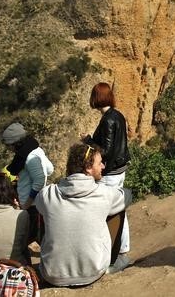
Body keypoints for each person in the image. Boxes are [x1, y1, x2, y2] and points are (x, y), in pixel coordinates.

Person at [35, 143, 132, 286]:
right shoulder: (104, 193)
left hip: (52, 274)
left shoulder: (47, 194)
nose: (103, 167)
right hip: (93, 271)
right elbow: (127, 196)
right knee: (118, 209)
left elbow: (38, 206)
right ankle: (113, 261)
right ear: (88, 167)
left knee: (45, 213)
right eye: (99, 163)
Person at [81, 83, 131, 269]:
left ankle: (118, 255)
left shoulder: (108, 120)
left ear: (96, 98)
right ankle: (121, 253)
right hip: (119, 169)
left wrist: (88, 141)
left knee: (111, 213)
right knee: (118, 210)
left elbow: (106, 151)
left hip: (110, 173)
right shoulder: (117, 115)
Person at [2, 122, 54, 243]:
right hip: (40, 202)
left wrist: (27, 203)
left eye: (8, 145)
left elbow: (39, 180)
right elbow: (50, 169)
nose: (8, 148)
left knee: (24, 241)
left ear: (15, 143)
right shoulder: (36, 150)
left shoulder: (29, 157)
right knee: (41, 237)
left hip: (31, 205)